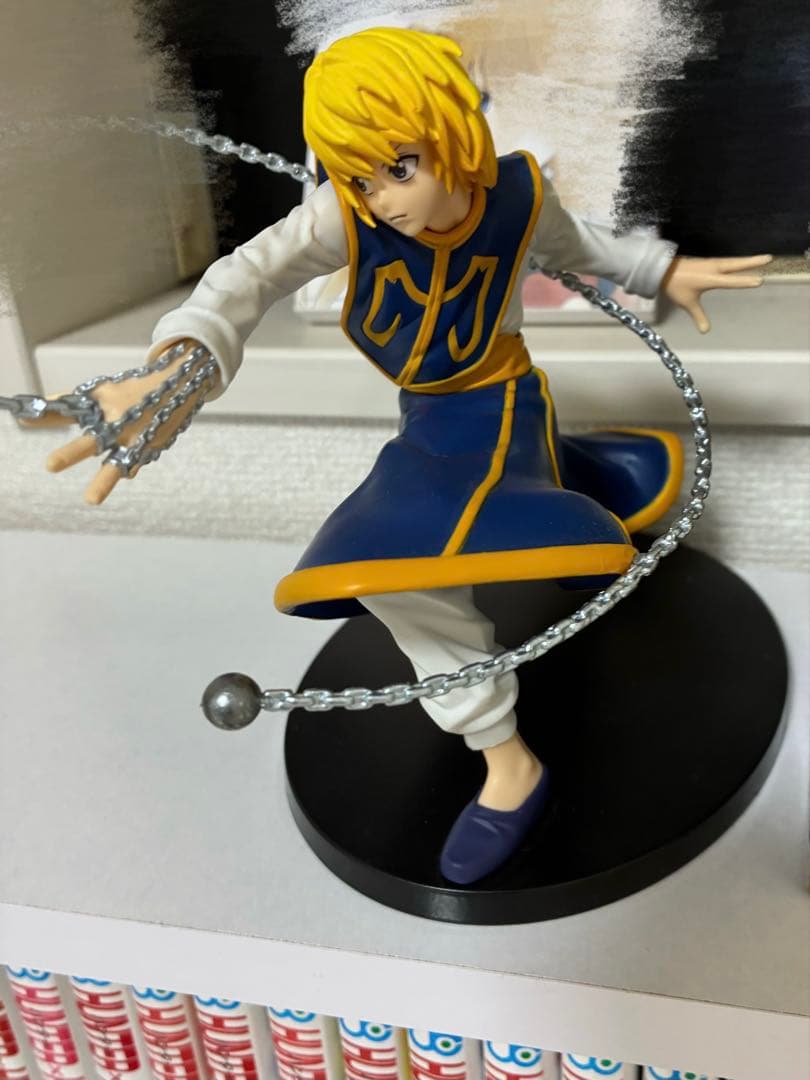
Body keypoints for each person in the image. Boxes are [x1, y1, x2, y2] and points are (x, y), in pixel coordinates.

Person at [38, 27, 771, 885]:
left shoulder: (516, 195)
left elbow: (586, 249)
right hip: (429, 418)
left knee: (397, 568)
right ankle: (587, 497)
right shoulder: (342, 217)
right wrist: (184, 364)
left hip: (502, 403)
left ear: (453, 132)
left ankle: (508, 762)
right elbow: (248, 275)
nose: (382, 200)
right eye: (359, 177)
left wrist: (664, 270)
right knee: (417, 546)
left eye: (399, 166)